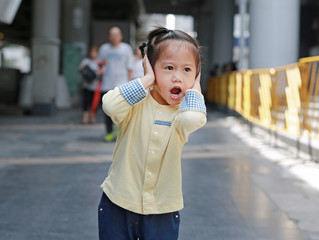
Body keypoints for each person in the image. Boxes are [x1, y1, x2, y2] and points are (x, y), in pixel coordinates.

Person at [98, 27, 207, 240]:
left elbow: (193, 119)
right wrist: (147, 79)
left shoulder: (183, 113)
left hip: (162, 210)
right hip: (118, 203)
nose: (178, 78)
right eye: (168, 67)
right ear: (150, 66)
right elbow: (110, 104)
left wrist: (194, 89)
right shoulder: (135, 104)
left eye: (187, 70)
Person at [98, 26, 134, 141]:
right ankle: (109, 132)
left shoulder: (126, 48)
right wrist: (101, 64)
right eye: (112, 34)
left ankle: (119, 129)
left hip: (122, 84)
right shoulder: (104, 49)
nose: (114, 37)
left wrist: (130, 83)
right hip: (107, 84)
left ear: (120, 36)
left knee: (121, 109)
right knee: (107, 109)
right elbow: (99, 64)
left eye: (116, 34)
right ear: (109, 36)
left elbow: (130, 67)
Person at [78, 45, 101, 124]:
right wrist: (85, 67)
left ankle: (92, 117)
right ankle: (85, 117)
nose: (93, 54)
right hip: (86, 85)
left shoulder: (99, 62)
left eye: (95, 52)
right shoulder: (86, 61)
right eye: (92, 52)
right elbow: (80, 70)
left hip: (95, 86)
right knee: (85, 102)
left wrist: (96, 72)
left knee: (94, 102)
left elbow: (102, 72)